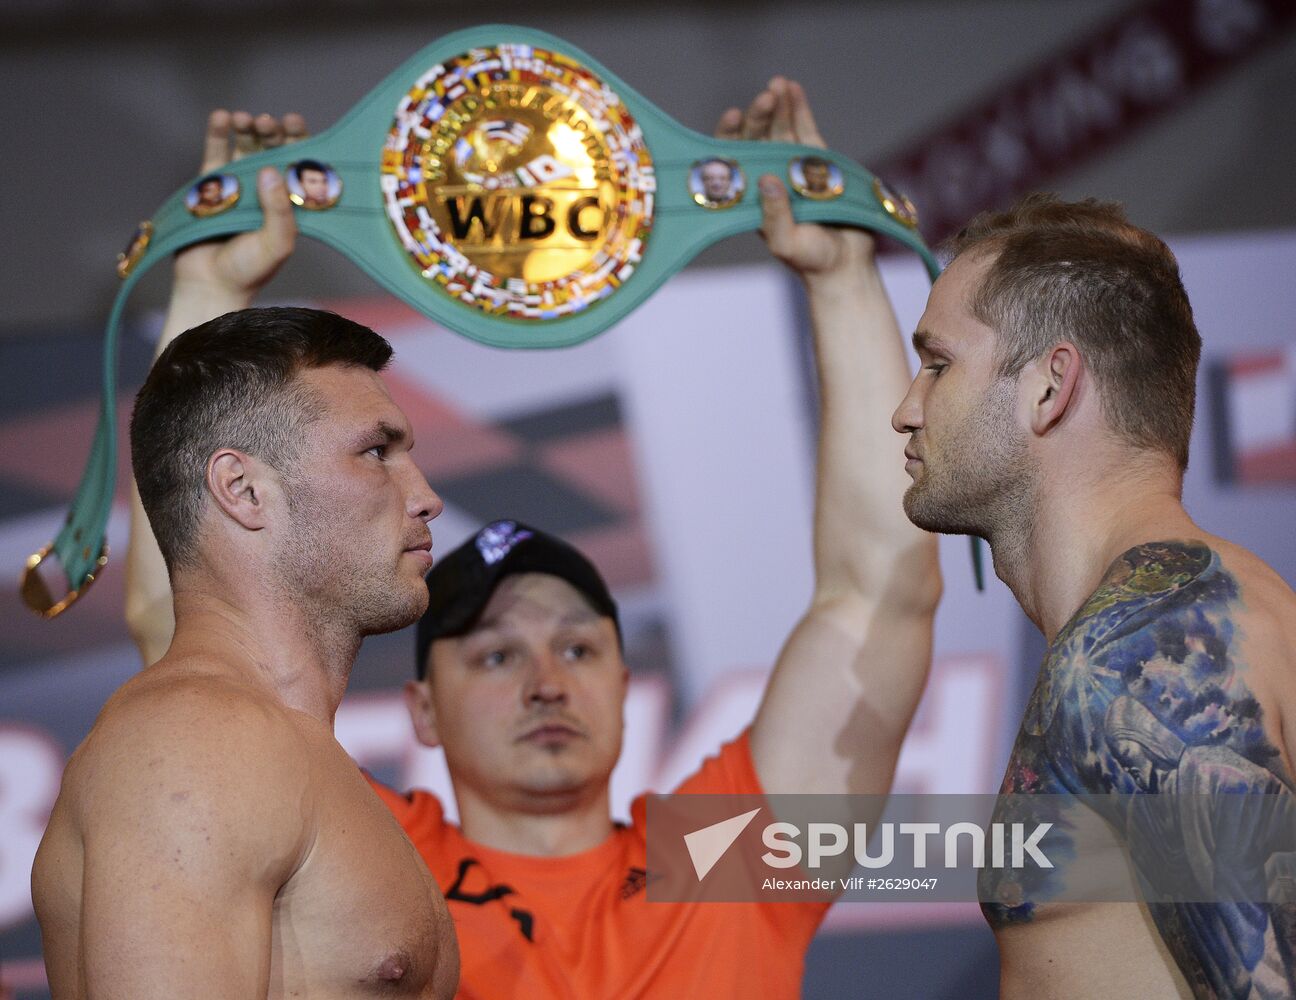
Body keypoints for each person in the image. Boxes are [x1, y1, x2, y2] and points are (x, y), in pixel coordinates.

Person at [125, 81, 941, 997]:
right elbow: (188, 591)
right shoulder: (368, 848)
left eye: (579, 645)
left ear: (628, 687)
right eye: (494, 655)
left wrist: (841, 276)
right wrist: (208, 284)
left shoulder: (726, 861)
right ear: (423, 709)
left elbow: (881, 591)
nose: (547, 681)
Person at [32, 112, 459, 998]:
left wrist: (209, 288)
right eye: (376, 451)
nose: (425, 494)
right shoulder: (200, 742)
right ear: (244, 491)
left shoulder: (277, 744)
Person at [891, 194, 1296, 997]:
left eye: (938, 364)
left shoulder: (1141, 651)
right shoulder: (1225, 604)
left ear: (1050, 387)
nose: (906, 410)